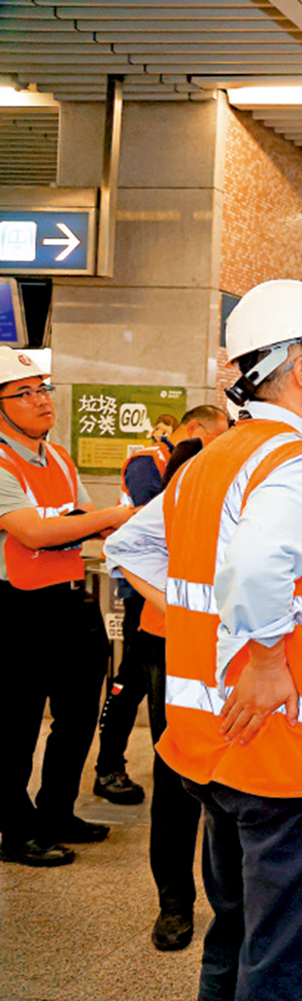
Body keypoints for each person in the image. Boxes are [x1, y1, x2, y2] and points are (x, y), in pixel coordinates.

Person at [103, 278, 302, 1001]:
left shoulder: (211, 461)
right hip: (286, 753)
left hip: (213, 746)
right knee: (285, 958)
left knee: (235, 935)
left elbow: (128, 546)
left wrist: (221, 620)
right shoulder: (299, 460)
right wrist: (268, 659)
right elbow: (255, 564)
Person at [0, 346, 132, 868]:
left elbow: (82, 520)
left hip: (70, 600)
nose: (41, 400)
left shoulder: (57, 456)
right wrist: (107, 517)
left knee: (77, 717)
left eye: (43, 389)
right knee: (15, 726)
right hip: (15, 608)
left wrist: (95, 522)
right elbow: (33, 531)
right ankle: (15, 831)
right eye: (24, 394)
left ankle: (57, 813)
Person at [103, 403, 230, 949]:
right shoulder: (189, 474)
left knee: (229, 777)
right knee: (177, 770)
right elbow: (128, 546)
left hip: (233, 644)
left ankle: (232, 900)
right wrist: (178, 609)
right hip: (169, 640)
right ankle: (174, 902)